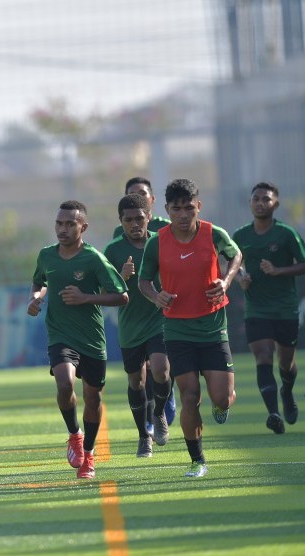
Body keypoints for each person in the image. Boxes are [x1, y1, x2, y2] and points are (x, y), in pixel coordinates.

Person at [139, 178, 241, 478]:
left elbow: (235, 255)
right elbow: (144, 281)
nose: (183, 214)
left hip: (212, 329)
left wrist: (226, 281)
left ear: (198, 205)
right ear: (167, 210)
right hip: (178, 331)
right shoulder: (157, 241)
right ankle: (198, 460)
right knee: (189, 396)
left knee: (221, 397)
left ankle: (222, 406)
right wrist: (157, 295)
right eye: (176, 209)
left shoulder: (213, 233)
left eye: (188, 207)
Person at [27, 200, 128, 479]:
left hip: (92, 340)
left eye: (70, 223)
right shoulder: (46, 255)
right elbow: (40, 281)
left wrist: (86, 298)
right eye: (59, 223)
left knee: (93, 399)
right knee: (64, 382)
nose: (63, 228)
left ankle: (90, 455)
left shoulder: (93, 258)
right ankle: (74, 435)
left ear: (83, 226)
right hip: (60, 335)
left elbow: (122, 295)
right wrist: (35, 298)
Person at [232, 182, 304, 434]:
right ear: (250, 203)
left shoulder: (286, 234)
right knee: (263, 356)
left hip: (284, 309)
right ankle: (273, 413)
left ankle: (286, 391)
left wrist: (279, 271)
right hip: (256, 309)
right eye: (256, 199)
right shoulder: (240, 235)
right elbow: (231, 262)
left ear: (276, 204)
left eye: (266, 199)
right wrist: (241, 277)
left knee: (286, 363)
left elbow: (303, 263)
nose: (260, 202)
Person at [103, 195, 172, 457]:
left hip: (159, 320)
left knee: (161, 371)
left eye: (139, 218)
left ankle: (158, 414)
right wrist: (121, 277)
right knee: (136, 381)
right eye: (128, 219)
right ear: (120, 222)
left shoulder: (161, 244)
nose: (134, 224)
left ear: (149, 218)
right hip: (130, 326)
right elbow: (103, 291)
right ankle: (144, 436)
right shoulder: (112, 251)